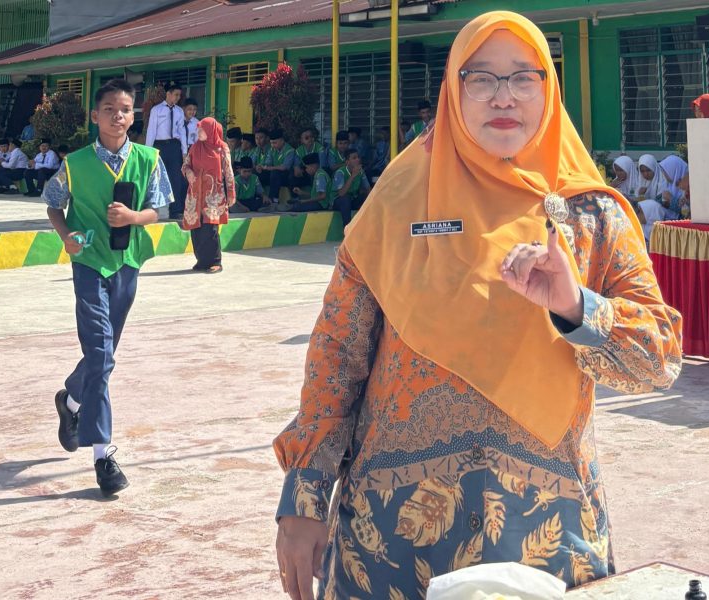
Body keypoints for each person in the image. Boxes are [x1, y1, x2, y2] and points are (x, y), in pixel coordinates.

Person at [273, 13, 683, 600]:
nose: (503, 97)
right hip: (391, 542)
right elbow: (335, 361)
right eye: (481, 78)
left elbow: (659, 360)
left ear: (549, 88)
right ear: (452, 90)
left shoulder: (592, 216)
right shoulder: (393, 206)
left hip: (545, 532)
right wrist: (304, 499)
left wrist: (576, 307)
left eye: (524, 77)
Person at [44, 79, 174, 498]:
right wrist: (65, 236)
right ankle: (103, 456)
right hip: (88, 262)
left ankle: (72, 402)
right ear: (95, 116)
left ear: (133, 116)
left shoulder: (150, 159)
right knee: (101, 353)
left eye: (125, 110)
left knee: (104, 353)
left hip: (127, 263)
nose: (118, 116)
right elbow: (53, 203)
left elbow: (159, 209)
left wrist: (134, 218)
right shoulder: (75, 163)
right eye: (109, 109)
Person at [181, 117, 234, 274]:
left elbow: (228, 171)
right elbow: (185, 165)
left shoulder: (221, 148)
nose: (198, 132)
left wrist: (231, 193)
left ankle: (215, 261)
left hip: (213, 195)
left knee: (210, 229)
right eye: (198, 129)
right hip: (195, 194)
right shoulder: (195, 147)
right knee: (196, 229)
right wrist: (189, 173)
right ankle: (202, 261)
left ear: (211, 131)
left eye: (202, 130)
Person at [145, 84, 189, 219]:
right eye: (176, 94)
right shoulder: (157, 110)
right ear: (168, 94)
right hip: (160, 146)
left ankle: (175, 210)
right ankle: (152, 208)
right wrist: (148, 151)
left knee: (176, 178)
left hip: (174, 146)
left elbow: (182, 131)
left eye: (179, 95)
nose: (178, 97)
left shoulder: (179, 111)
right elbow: (151, 130)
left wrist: (184, 151)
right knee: (156, 177)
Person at [330, 148, 372, 225]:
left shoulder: (360, 171)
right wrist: (353, 176)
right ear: (347, 162)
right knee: (345, 199)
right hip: (338, 201)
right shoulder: (340, 172)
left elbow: (368, 189)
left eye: (358, 157)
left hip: (352, 198)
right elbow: (341, 193)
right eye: (354, 158)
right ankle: (347, 228)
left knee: (367, 197)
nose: (358, 160)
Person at [256, 128, 295, 209]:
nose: (273, 145)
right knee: (258, 175)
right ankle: (259, 199)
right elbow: (268, 163)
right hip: (274, 174)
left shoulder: (290, 150)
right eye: (271, 143)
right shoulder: (272, 149)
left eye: (275, 143)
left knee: (275, 173)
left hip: (287, 176)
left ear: (282, 141)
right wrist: (261, 167)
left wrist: (268, 167)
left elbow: (285, 167)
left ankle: (273, 200)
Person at [656, 155, 689, 220]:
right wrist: (664, 200)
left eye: (665, 171)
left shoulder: (689, 187)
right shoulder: (669, 184)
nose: (664, 174)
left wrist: (671, 199)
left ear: (674, 170)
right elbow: (659, 201)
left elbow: (687, 213)